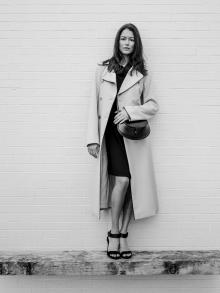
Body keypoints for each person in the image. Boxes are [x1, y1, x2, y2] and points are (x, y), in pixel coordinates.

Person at [86, 23, 159, 260]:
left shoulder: (142, 73)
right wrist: (92, 139)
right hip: (111, 135)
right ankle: (114, 232)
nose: (127, 43)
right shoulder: (103, 70)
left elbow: (153, 105)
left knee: (131, 186)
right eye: (123, 39)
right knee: (122, 181)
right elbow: (92, 106)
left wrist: (130, 111)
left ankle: (123, 234)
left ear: (136, 44)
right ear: (117, 42)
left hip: (133, 136)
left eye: (131, 39)